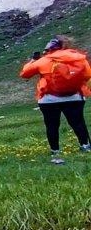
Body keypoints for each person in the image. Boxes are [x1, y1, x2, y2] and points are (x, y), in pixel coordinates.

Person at [20, 34, 91, 165]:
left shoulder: (44, 60)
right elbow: (87, 75)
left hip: (49, 99)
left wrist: (32, 60)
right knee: (78, 123)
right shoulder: (78, 58)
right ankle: (85, 146)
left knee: (52, 125)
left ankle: (55, 151)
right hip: (74, 97)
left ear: (49, 48)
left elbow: (25, 74)